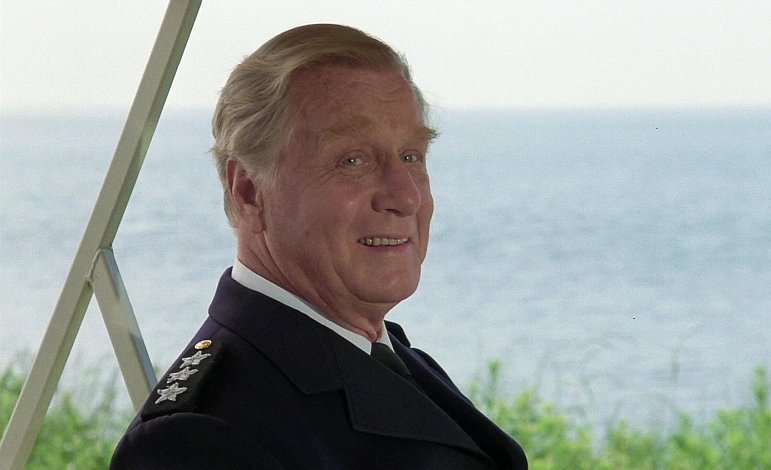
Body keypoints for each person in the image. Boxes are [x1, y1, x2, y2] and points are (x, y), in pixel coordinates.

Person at [110, 24, 527, 469]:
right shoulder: (195, 439)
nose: (406, 197)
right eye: (353, 160)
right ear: (249, 191)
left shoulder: (389, 357)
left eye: (411, 156)